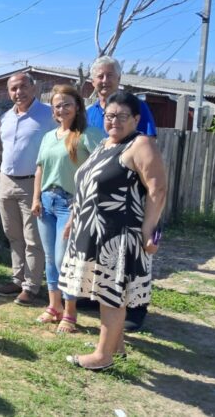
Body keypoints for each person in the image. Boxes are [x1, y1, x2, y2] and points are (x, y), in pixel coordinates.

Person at [60, 91, 166, 371]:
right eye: (109, 115)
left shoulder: (140, 144)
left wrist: (149, 231)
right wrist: (73, 219)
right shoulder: (105, 144)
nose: (114, 121)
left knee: (111, 294)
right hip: (92, 230)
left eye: (121, 116)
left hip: (120, 235)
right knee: (101, 291)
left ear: (136, 119)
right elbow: (88, 186)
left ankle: (102, 356)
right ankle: (115, 347)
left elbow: (158, 189)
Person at [86, 55, 155, 331]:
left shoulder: (136, 107)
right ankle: (97, 299)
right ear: (92, 81)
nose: (104, 81)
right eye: (99, 76)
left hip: (132, 197)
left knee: (134, 256)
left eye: (109, 75)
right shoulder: (90, 112)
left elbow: (148, 153)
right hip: (102, 199)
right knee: (104, 253)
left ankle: (136, 309)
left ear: (119, 78)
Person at [31, 84, 103, 333]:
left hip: (71, 205)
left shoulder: (88, 134)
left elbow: (99, 170)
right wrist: (36, 198)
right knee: (50, 258)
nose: (61, 109)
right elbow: (40, 168)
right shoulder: (49, 137)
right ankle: (54, 307)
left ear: (77, 106)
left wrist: (79, 208)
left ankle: (70, 313)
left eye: (66, 104)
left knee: (66, 260)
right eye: (57, 106)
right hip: (46, 202)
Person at [0, 73, 56, 305]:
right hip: (6, 180)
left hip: (32, 182)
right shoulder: (6, 118)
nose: (18, 92)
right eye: (13, 89)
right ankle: (17, 279)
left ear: (33, 87)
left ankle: (31, 286)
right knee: (13, 235)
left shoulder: (49, 114)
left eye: (22, 87)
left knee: (32, 238)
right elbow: (2, 147)